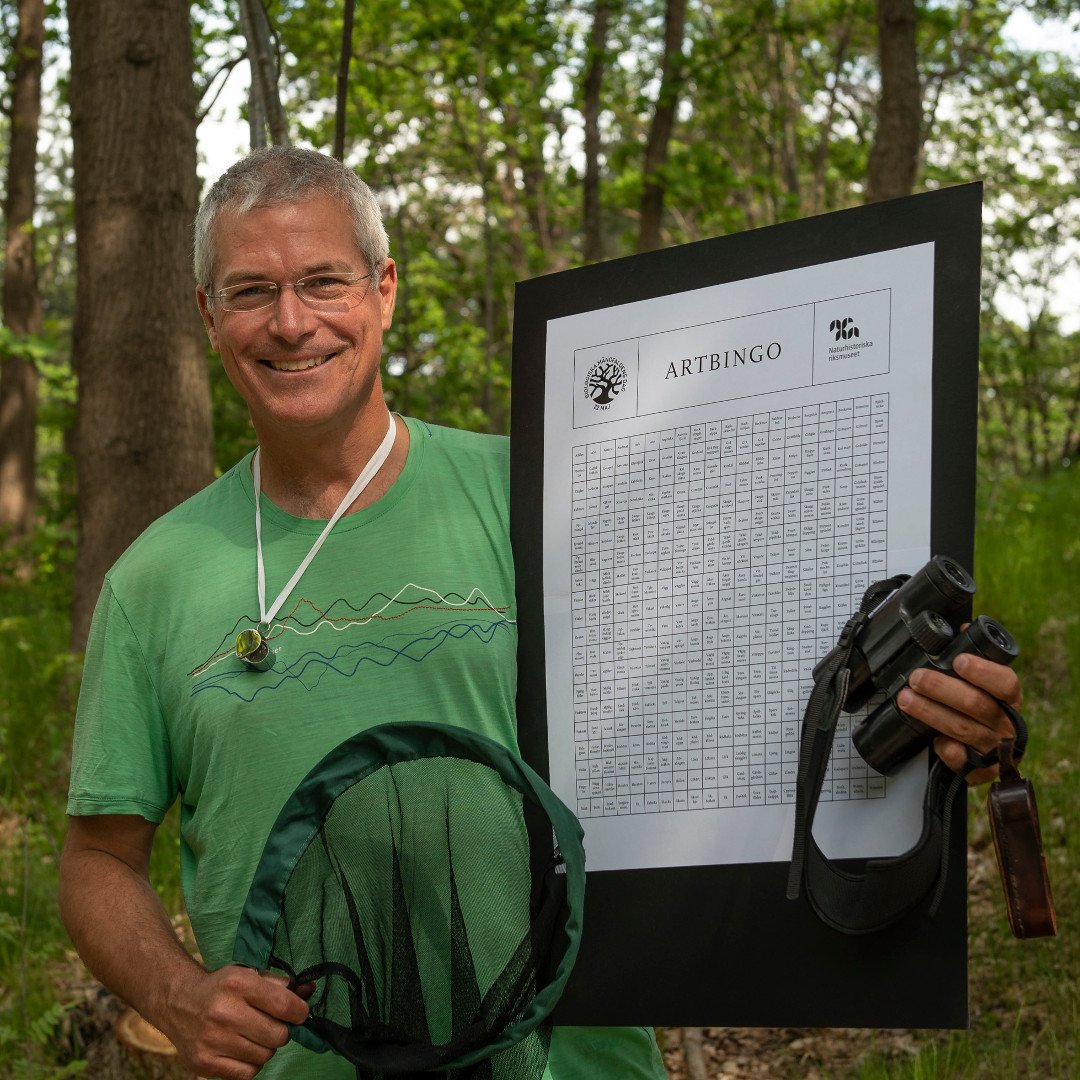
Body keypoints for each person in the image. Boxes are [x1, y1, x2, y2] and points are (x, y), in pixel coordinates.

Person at [60, 147, 1023, 1080]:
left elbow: (729, 683)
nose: (291, 321)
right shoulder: (156, 579)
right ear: (207, 313)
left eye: (324, 282)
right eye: (250, 291)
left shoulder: (550, 493)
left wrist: (920, 727)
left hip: (579, 1061)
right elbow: (98, 859)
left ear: (384, 291)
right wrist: (180, 997)